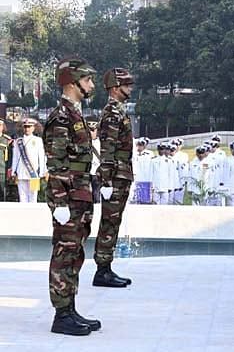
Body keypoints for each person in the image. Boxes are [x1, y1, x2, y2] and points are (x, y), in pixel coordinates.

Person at [43, 56, 99, 335]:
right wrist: (60, 203)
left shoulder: (75, 114)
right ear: (73, 82)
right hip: (68, 197)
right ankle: (60, 315)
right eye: (87, 79)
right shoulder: (61, 117)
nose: (91, 84)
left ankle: (70, 309)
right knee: (64, 254)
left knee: (75, 254)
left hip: (80, 195)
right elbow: (55, 164)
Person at [94, 67, 135, 288]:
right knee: (109, 221)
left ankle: (106, 267)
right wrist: (107, 180)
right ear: (115, 87)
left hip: (121, 172)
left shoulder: (119, 110)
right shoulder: (112, 112)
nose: (130, 88)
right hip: (115, 174)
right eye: (127, 84)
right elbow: (107, 148)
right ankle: (102, 270)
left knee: (114, 220)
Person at [11, 117, 47, 202]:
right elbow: (15, 157)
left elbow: (41, 157)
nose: (27, 129)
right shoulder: (18, 141)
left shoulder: (38, 140)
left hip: (33, 172)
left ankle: (32, 214)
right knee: (22, 196)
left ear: (33, 128)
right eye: (25, 126)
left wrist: (42, 171)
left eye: (29, 126)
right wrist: (13, 171)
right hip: (21, 172)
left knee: (33, 197)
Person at [86, 116, 101, 203]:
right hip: (86, 171)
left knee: (96, 194)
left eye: (93, 130)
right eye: (89, 130)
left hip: (97, 171)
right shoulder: (82, 143)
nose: (91, 133)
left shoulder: (102, 143)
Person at [0, 119, 13, 201]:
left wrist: (9, 168)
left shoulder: (7, 140)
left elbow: (11, 156)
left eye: (0, 125)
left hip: (2, 169)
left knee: (1, 191)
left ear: (3, 127)